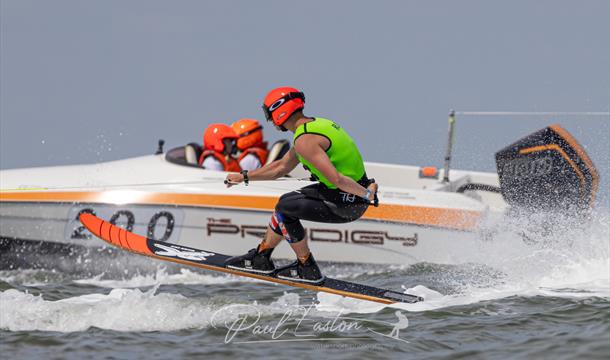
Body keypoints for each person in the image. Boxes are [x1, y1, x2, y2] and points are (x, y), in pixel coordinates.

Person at [224, 86, 378, 284]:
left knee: (286, 206)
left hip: (345, 204)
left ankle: (307, 267)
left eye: (269, 113)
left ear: (280, 111)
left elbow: (336, 179)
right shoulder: (317, 125)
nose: (270, 120)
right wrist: (244, 177)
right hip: (347, 195)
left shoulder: (305, 140)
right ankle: (261, 257)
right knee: (287, 203)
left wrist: (367, 194)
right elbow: (280, 167)